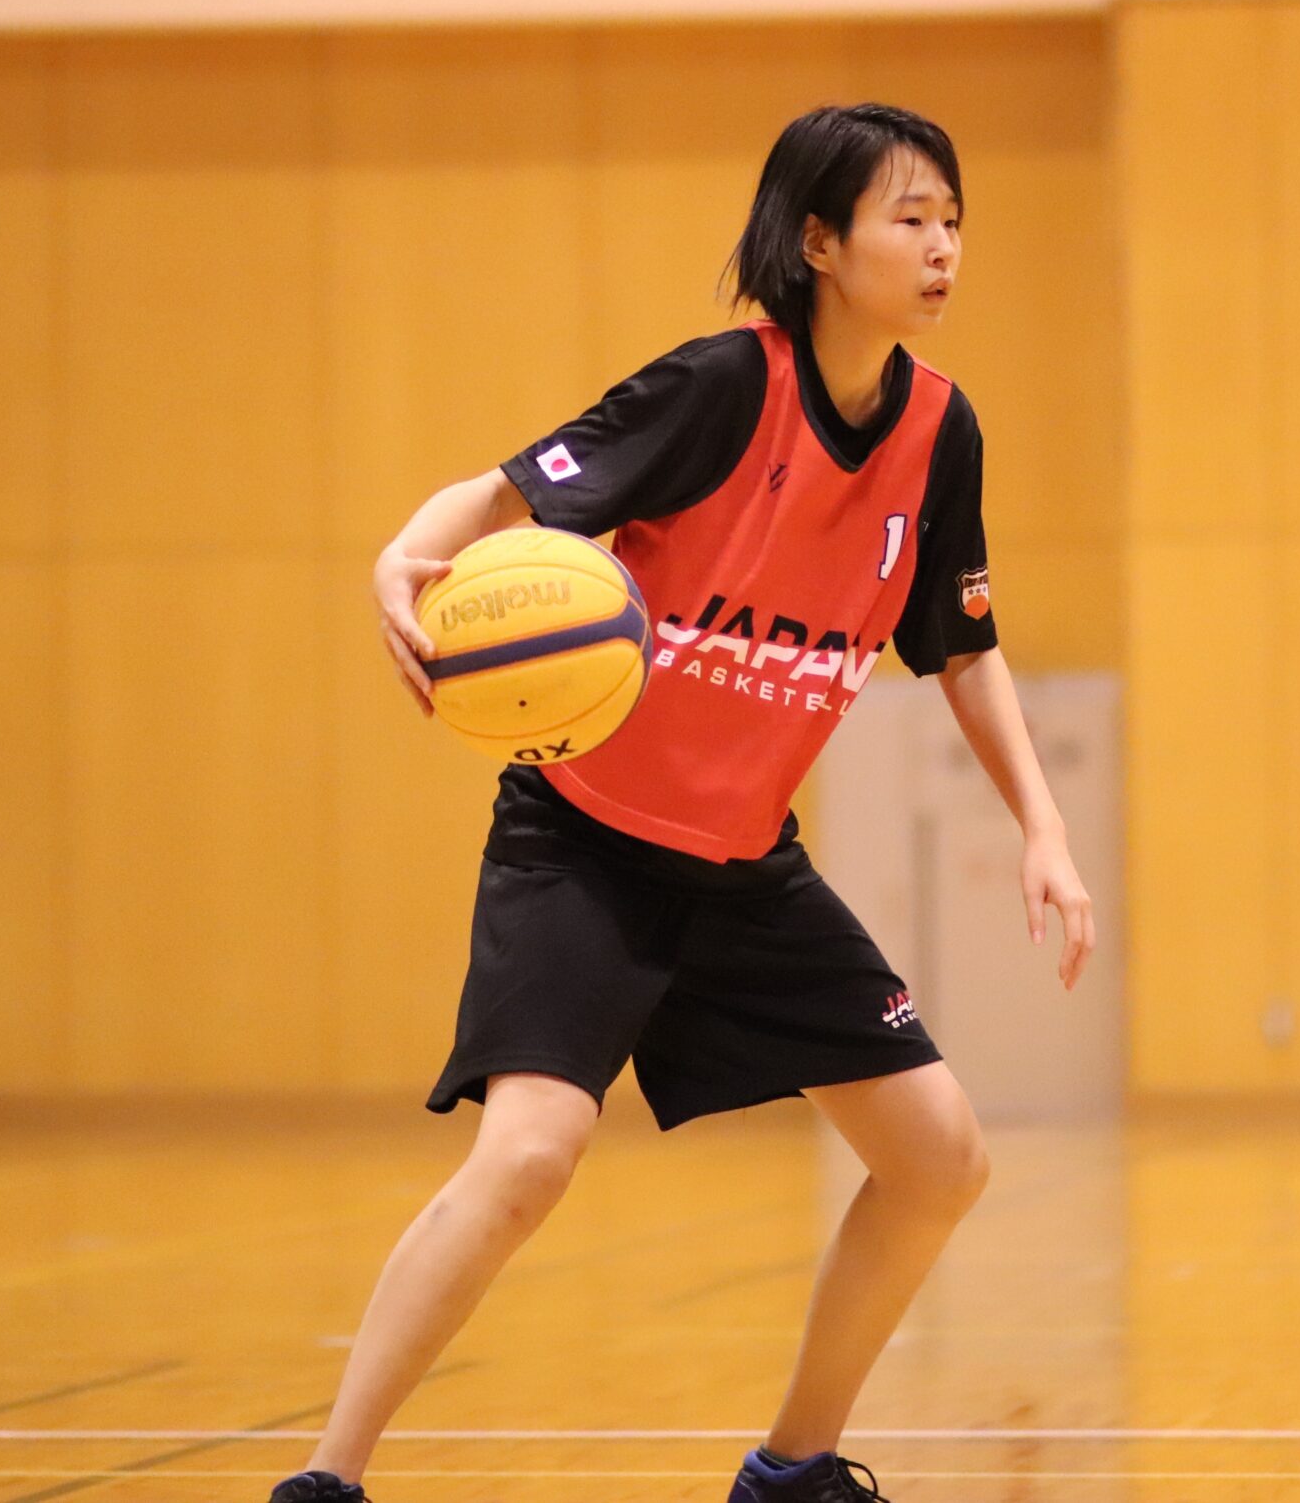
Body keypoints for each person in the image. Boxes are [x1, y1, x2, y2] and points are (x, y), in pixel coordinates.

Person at [268, 103, 1098, 1503]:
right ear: (818, 241)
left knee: (939, 1159)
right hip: (583, 846)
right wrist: (404, 552)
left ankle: (793, 1469)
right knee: (530, 1155)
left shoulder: (939, 430)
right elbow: (513, 490)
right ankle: (327, 1481)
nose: (943, 245)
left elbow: (962, 646)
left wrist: (1045, 826)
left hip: (746, 867)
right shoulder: (722, 387)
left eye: (954, 219)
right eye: (910, 217)